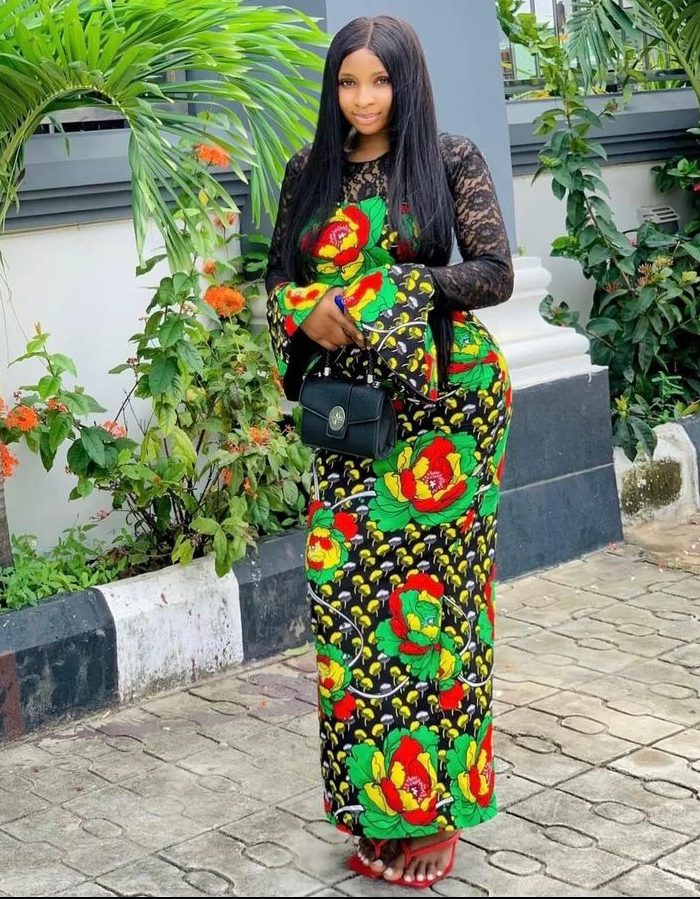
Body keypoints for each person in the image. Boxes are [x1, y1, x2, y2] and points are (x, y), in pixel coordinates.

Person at [265, 14, 513, 888]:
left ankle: (435, 813)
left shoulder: (448, 159)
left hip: (447, 414)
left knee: (437, 610)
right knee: (349, 608)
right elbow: (278, 279)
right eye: (348, 82)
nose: (363, 99)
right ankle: (377, 806)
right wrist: (305, 310)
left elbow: (493, 271)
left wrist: (386, 288)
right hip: (352, 419)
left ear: (406, 82)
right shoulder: (309, 170)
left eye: (379, 81)